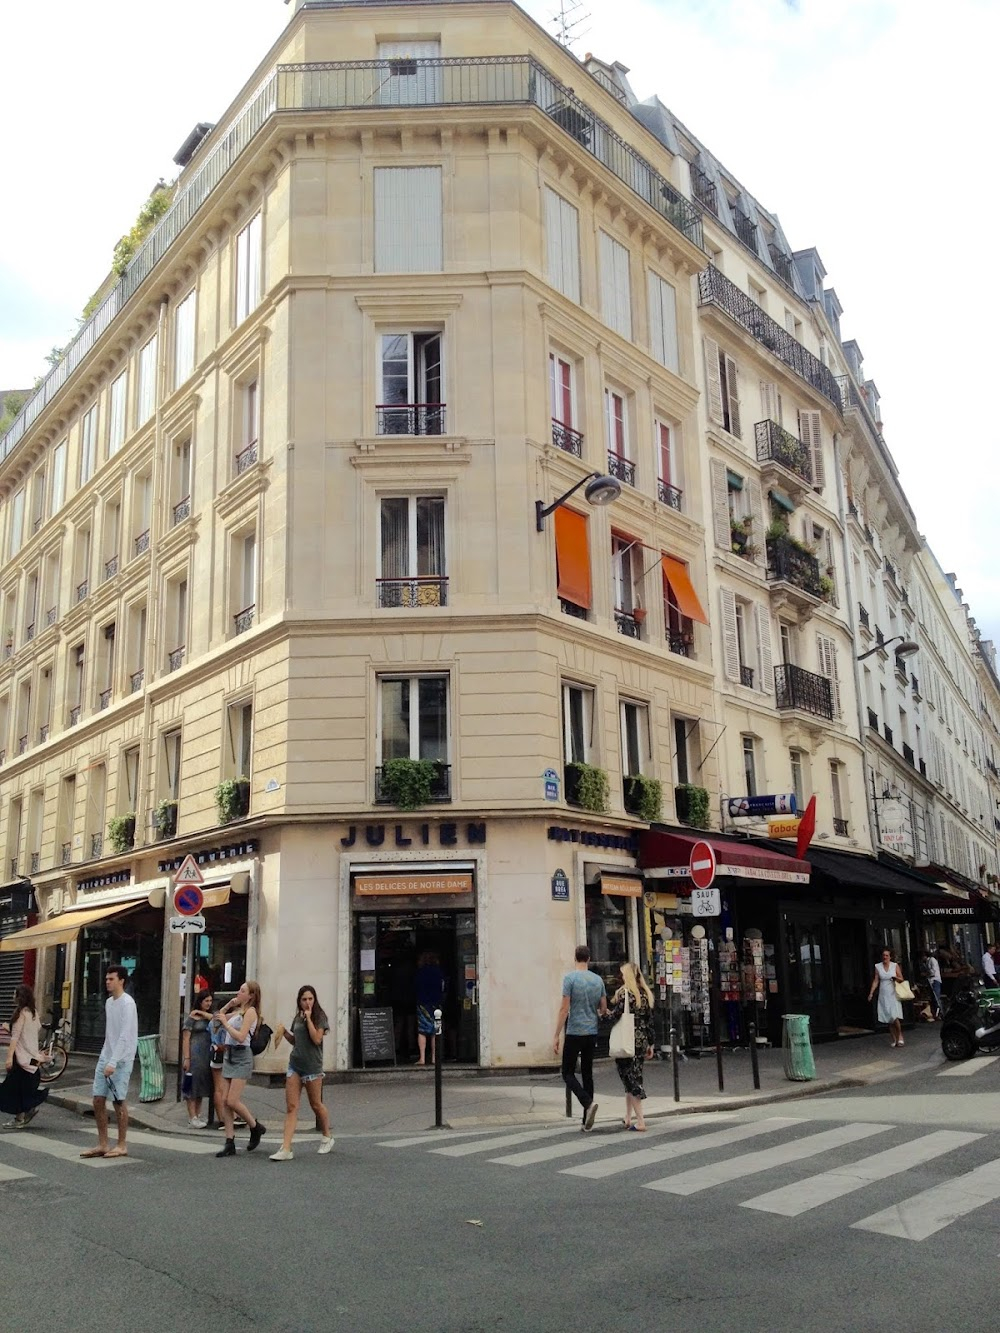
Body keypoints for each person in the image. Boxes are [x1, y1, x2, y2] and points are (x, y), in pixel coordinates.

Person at [269, 985, 334, 1161]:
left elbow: (316, 1039)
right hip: (295, 1064)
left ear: (315, 999)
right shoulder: (297, 1017)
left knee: (316, 1104)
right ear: (299, 1000)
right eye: (304, 999)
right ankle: (286, 1147)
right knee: (291, 1107)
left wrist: (309, 1019)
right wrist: (284, 1033)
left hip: (312, 1067)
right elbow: (297, 1041)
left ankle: (327, 1136)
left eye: (310, 999)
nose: (307, 1002)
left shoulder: (320, 1017)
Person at [80, 963, 138, 1159]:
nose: (107, 982)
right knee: (98, 1099)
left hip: (122, 1059)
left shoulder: (128, 1003)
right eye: (106, 978)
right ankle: (103, 1143)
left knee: (118, 1101)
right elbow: (110, 1034)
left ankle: (122, 1144)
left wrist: (113, 1062)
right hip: (107, 1054)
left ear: (121, 980)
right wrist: (105, 1057)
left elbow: (124, 1035)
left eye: (111, 978)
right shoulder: (108, 1002)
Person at [553, 944, 607, 1131]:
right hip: (591, 1032)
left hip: (574, 1031)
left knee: (567, 1072)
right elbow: (603, 1008)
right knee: (587, 1074)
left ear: (575, 958)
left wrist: (556, 1035)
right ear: (589, 959)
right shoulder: (598, 980)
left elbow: (564, 1008)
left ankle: (587, 1103)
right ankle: (586, 1121)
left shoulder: (570, 978)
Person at [213, 981, 266, 1157]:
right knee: (225, 1100)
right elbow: (217, 1018)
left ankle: (254, 1126)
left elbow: (242, 1036)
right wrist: (229, 1005)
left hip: (242, 1055)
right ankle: (229, 1141)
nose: (239, 992)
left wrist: (226, 1025)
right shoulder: (238, 1012)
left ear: (251, 995)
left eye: (242, 991)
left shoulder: (251, 1013)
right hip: (230, 1054)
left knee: (232, 1100)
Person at [606, 962, 655, 1131]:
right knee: (632, 1077)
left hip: (627, 1041)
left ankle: (640, 1121)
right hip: (641, 1041)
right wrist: (651, 1043)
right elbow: (649, 1022)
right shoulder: (645, 994)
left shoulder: (625, 994)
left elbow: (614, 1017)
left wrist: (602, 1015)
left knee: (631, 1079)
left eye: (621, 974)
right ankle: (628, 1117)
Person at [0, 985, 49, 1127]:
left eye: (14, 994)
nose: (12, 997)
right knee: (27, 1084)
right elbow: (30, 1031)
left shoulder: (20, 1014)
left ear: (19, 997)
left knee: (14, 1087)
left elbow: (15, 1038)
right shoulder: (33, 1013)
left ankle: (22, 1115)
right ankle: (25, 1112)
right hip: (33, 1057)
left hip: (20, 1057)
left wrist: (9, 1058)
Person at [182, 989, 215, 1128]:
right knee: (191, 1084)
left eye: (210, 1001)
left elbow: (215, 1019)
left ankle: (198, 1113)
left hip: (206, 1054)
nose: (208, 1003)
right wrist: (186, 1058)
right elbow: (185, 1038)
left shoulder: (208, 1016)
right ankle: (192, 1116)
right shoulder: (191, 1019)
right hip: (194, 1053)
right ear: (200, 1001)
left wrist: (202, 1013)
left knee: (201, 1085)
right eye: (206, 1001)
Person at [868, 948, 904, 1048]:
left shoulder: (895, 965)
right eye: (883, 955)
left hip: (893, 992)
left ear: (890, 957)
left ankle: (900, 1035)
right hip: (883, 993)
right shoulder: (878, 966)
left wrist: (895, 978)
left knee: (894, 1016)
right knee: (888, 1018)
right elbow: (876, 980)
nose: (885, 957)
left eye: (887, 955)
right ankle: (894, 1038)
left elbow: (901, 979)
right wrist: (871, 993)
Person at [415, 951, 445, 1066]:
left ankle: (422, 1058)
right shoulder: (438, 972)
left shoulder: (420, 972)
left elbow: (415, 986)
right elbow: (443, 987)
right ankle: (434, 1057)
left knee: (422, 1030)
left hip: (423, 1003)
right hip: (436, 1003)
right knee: (435, 1031)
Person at [920, 949, 943, 1020]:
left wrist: (925, 974)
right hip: (931, 981)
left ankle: (939, 1012)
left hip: (934, 980)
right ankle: (935, 1012)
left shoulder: (932, 960)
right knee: (933, 997)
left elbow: (933, 971)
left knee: (936, 996)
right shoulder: (927, 962)